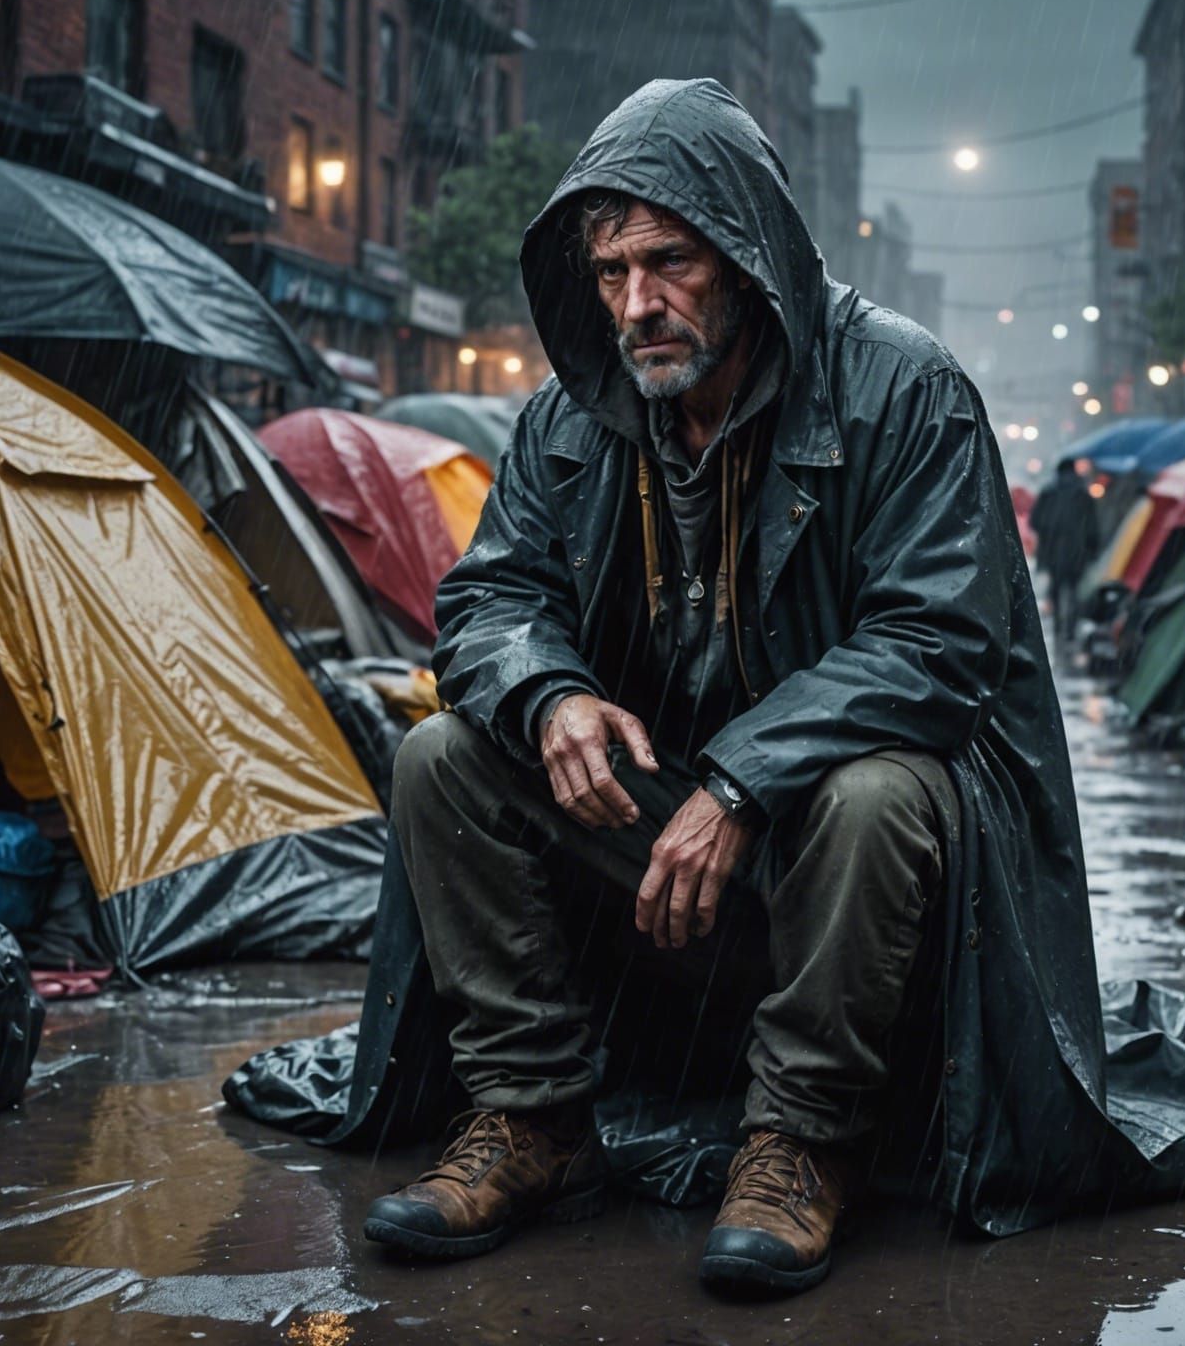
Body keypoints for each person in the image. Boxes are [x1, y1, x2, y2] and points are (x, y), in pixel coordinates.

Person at [363, 79, 1104, 1295]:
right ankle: (533, 1116)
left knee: (878, 790)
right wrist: (549, 695)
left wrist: (746, 780)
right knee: (442, 755)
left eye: (670, 262)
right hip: (658, 849)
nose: (637, 305)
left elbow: (941, 645)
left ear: (747, 258)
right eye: (609, 273)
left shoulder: (902, 392)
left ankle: (801, 1142)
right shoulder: (567, 421)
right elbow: (487, 605)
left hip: (854, 861)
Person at [1029, 457, 1099, 647]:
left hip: (1051, 552)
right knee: (1073, 590)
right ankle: (1070, 630)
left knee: (1056, 590)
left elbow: (1034, 521)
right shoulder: (1083, 494)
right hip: (1077, 553)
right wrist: (1092, 549)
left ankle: (1059, 627)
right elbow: (1092, 527)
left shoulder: (1048, 492)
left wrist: (1049, 532)